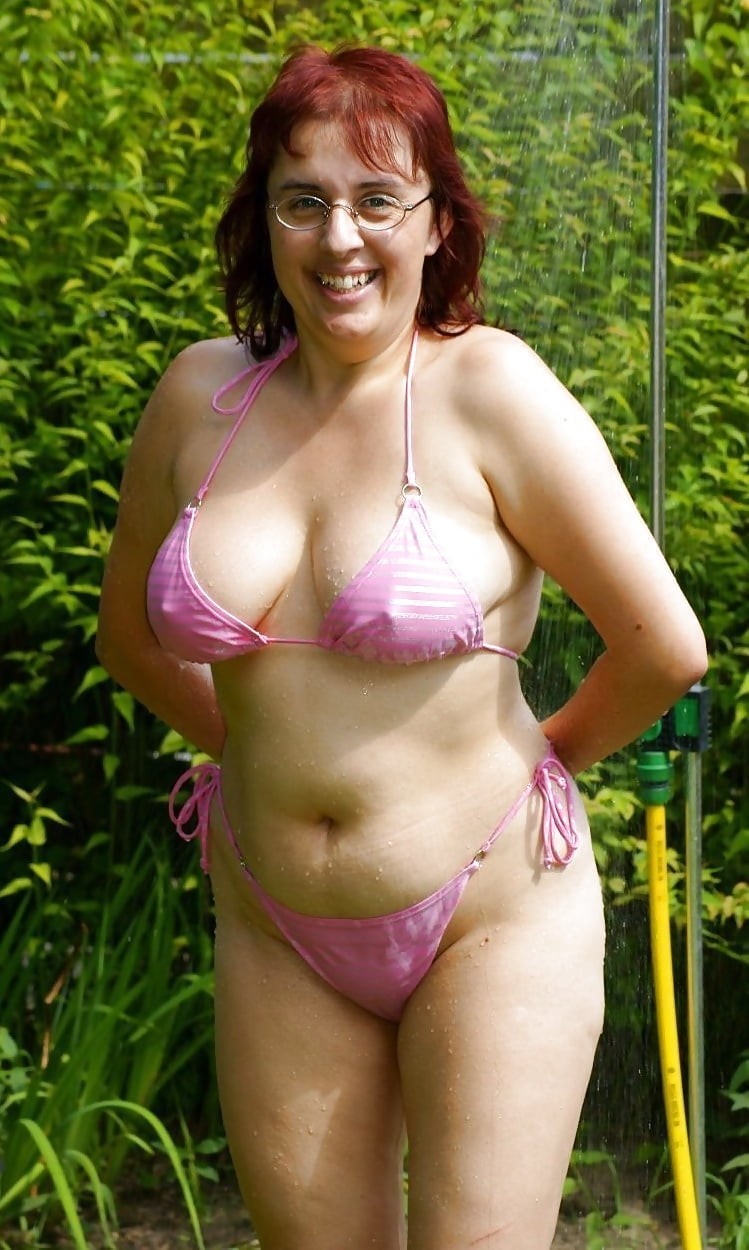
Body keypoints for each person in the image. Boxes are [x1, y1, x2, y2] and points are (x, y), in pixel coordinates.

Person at [96, 43, 707, 1250]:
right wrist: (252, 760)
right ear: (262, 218)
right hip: (275, 925)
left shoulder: (490, 392)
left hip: (491, 913)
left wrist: (539, 763)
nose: (340, 238)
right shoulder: (197, 399)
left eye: (377, 200)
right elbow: (128, 639)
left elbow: (661, 644)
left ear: (436, 223)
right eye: (303, 200)